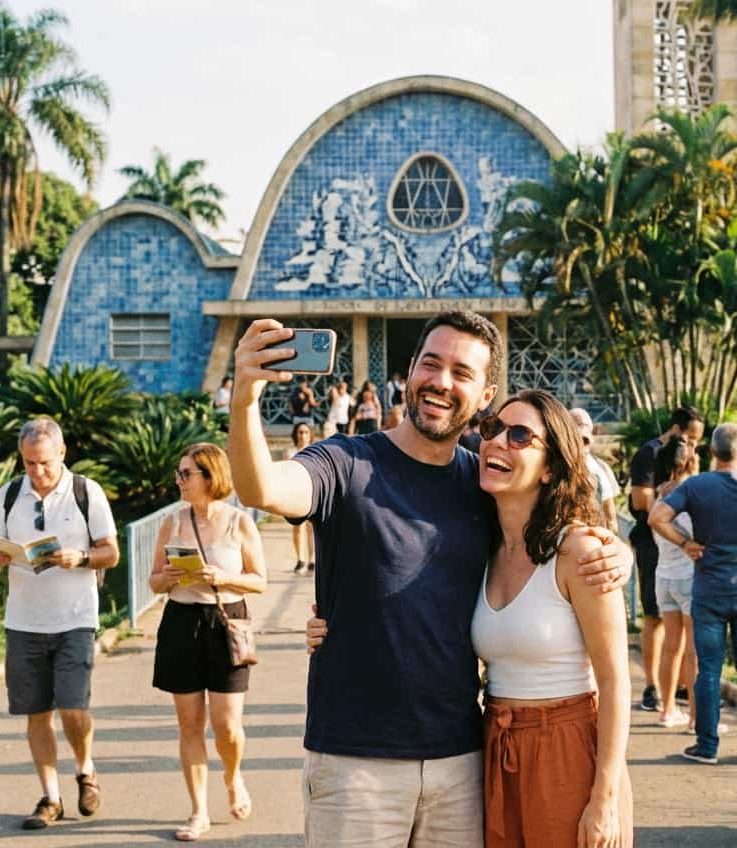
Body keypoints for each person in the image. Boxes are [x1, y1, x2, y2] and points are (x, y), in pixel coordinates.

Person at [226, 310, 631, 846]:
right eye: (431, 364)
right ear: (410, 370)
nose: (441, 382)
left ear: (484, 394)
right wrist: (246, 398)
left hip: (463, 763)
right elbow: (264, 489)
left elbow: (548, 530)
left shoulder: (482, 484)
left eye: (461, 373)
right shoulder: (345, 463)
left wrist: (615, 549)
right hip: (356, 766)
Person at [309, 391, 634, 847]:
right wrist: (335, 623)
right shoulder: (483, 546)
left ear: (550, 467)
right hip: (494, 746)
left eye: (520, 435)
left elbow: (616, 680)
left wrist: (605, 795)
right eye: (492, 428)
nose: (498, 441)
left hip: (565, 746)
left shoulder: (579, 552)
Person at [0, 417, 120, 830]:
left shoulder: (85, 492)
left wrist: (82, 559)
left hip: (76, 617)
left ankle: (86, 770)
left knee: (74, 708)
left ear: (62, 452)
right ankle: (51, 797)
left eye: (43, 462)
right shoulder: (8, 495)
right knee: (36, 713)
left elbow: (110, 552)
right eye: (28, 463)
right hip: (24, 622)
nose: (37, 472)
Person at [648, 422, 737, 766]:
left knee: (709, 668)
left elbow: (656, 517)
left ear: (711, 453)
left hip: (709, 591)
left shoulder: (696, 486)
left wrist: (685, 543)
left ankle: (707, 746)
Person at [149, 443, 268, 841]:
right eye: (179, 473)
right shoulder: (172, 522)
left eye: (187, 474)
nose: (179, 481)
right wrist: (168, 578)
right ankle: (198, 810)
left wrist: (222, 577)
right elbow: (153, 580)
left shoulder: (239, 522)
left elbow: (260, 580)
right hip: (181, 621)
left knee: (227, 726)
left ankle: (233, 778)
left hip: (226, 621)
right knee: (190, 725)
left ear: (210, 477)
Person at [628, 407, 704, 712]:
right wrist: (677, 497)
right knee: (654, 616)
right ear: (675, 429)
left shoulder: (687, 462)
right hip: (653, 544)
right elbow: (640, 500)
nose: (693, 446)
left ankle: (678, 688)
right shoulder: (649, 454)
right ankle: (651, 686)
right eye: (690, 438)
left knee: (679, 631)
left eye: (698, 441)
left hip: (677, 548)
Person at [651, 437, 699, 731]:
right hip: (689, 578)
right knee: (693, 653)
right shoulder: (689, 495)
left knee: (671, 649)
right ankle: (695, 717)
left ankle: (667, 709)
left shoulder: (660, 495)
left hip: (663, 577)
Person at [569, 407, 619, 532]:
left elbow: (610, 512)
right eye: (576, 439)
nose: (580, 445)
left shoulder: (601, 467)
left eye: (584, 440)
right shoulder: (553, 467)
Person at [286, 422, 316, 573]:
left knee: (312, 528)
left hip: (311, 493)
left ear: (310, 435)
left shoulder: (315, 451)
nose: (303, 435)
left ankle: (312, 559)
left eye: (306, 432)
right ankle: (300, 559)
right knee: (298, 528)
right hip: (295, 493)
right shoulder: (290, 452)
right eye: (300, 432)